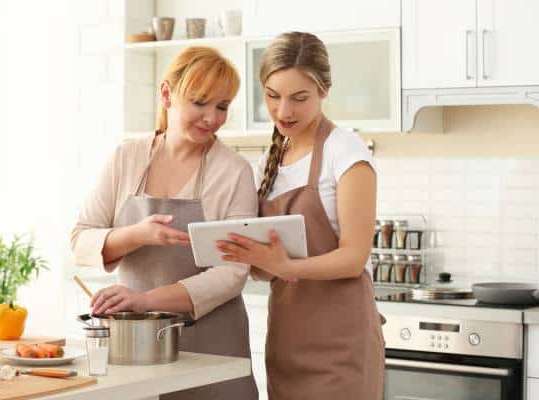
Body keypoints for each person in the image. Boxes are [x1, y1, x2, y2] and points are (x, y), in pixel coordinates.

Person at [71, 46, 258, 400]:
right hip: (137, 350)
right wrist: (136, 235)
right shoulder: (126, 158)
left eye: (222, 106)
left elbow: (232, 272)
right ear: (167, 94)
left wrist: (145, 301)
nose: (212, 117)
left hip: (212, 347)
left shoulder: (233, 171)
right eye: (200, 102)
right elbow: (81, 238)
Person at [216, 32, 385, 399]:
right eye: (273, 96)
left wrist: (287, 267)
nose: (284, 111)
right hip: (288, 343)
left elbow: (354, 257)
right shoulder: (270, 162)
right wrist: (254, 258)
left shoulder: (346, 151)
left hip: (341, 348)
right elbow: (271, 265)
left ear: (325, 90)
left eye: (299, 98)